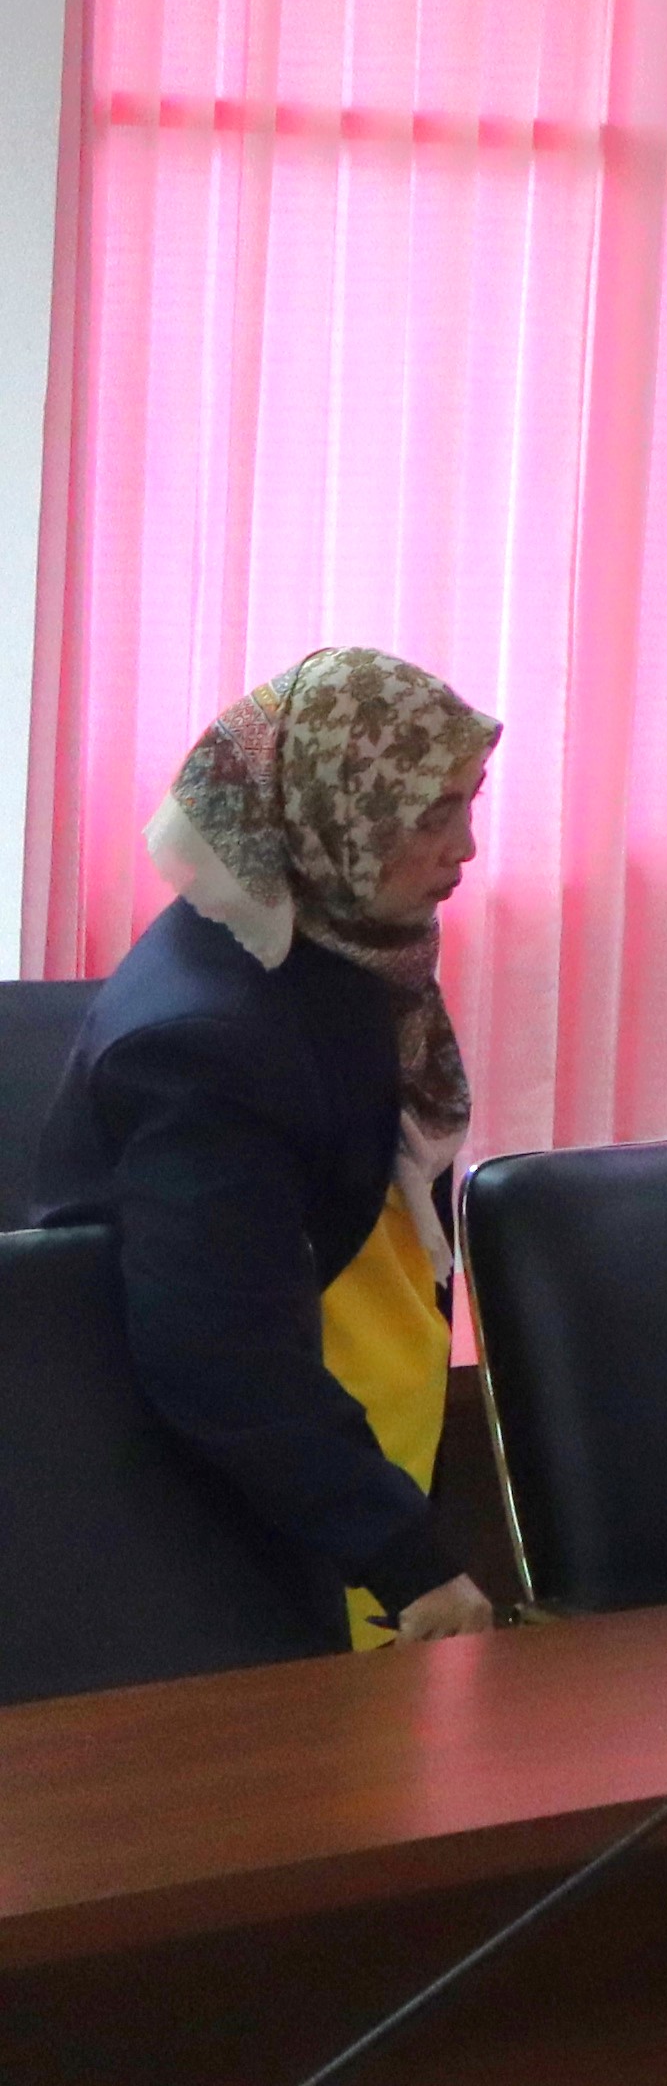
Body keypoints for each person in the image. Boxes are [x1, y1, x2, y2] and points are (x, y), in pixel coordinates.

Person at [29, 651, 516, 1647]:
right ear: (331, 808)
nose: (466, 846)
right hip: (224, 1515)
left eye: (470, 801)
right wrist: (407, 1560)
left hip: (333, 1453)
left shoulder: (323, 937)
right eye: (431, 813)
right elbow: (220, 1352)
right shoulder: (205, 1046)